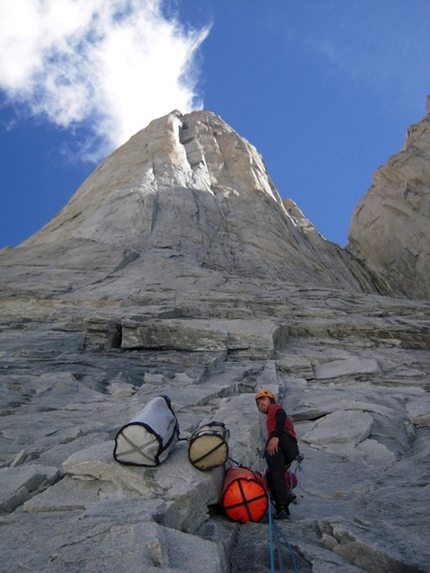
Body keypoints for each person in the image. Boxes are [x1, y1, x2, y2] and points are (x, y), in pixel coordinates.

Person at [255, 389, 300, 520]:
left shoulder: (275, 408)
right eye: (258, 403)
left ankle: (281, 507)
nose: (260, 404)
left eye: (263, 400)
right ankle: (283, 505)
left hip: (282, 441)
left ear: (271, 400)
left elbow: (281, 414)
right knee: (273, 476)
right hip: (289, 447)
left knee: (275, 475)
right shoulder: (271, 415)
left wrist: (275, 437)